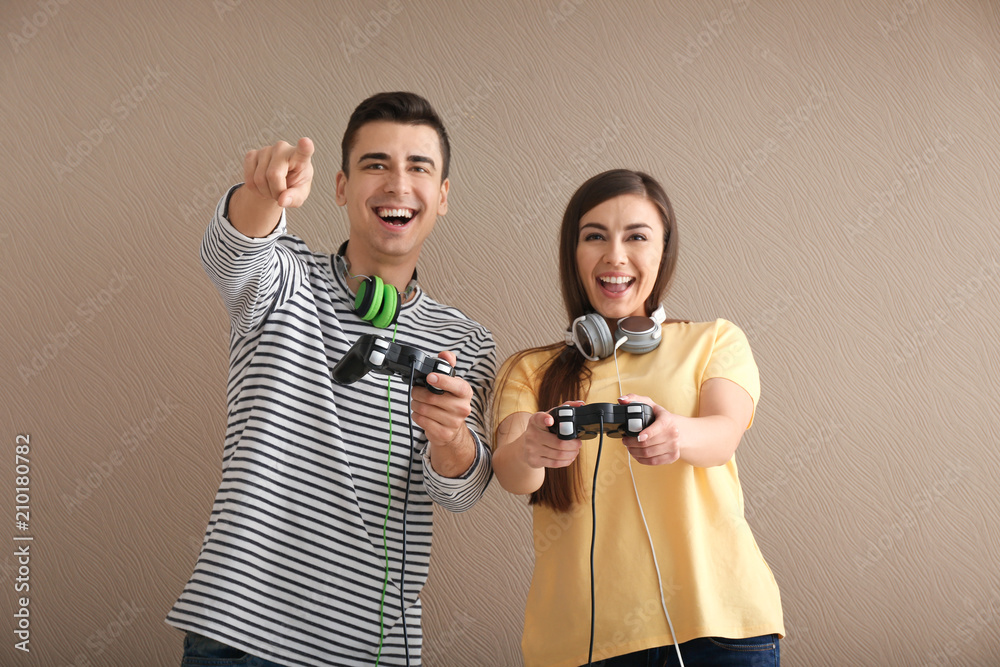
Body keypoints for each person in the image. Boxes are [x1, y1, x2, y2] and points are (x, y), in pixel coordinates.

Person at [167, 92, 496, 667]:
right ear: (342, 187)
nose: (397, 184)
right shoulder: (283, 278)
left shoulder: (466, 341)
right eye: (376, 165)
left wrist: (452, 440)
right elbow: (235, 251)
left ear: (442, 197)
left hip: (371, 650)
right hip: (239, 636)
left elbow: (460, 492)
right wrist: (264, 193)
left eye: (418, 168)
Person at [492, 169, 784, 667]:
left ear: (663, 250)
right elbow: (512, 473)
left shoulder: (714, 340)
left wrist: (675, 433)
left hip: (717, 631)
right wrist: (531, 450)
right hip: (581, 644)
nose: (615, 256)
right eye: (595, 237)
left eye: (637, 237)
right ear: (573, 253)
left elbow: (723, 434)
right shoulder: (529, 370)